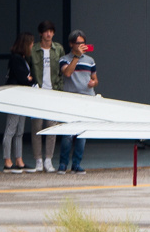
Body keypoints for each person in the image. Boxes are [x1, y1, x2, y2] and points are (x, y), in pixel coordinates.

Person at [57, 30, 98, 175]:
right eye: (78, 43)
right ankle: (62, 164)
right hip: (71, 99)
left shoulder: (90, 60)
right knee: (68, 133)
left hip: (87, 98)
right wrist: (76, 57)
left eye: (83, 43)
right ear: (71, 44)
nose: (81, 46)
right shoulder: (65, 59)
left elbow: (95, 78)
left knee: (82, 134)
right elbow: (67, 73)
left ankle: (76, 164)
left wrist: (93, 82)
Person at [29, 20, 65, 172]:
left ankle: (48, 160)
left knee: (52, 127)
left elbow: (62, 70)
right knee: (37, 127)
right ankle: (38, 160)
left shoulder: (58, 49)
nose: (49, 34)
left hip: (53, 93)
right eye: (46, 31)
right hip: (37, 93)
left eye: (51, 31)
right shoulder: (33, 49)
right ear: (41, 33)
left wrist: (59, 87)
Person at [3, 32, 35, 173]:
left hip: (22, 97)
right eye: (31, 43)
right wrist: (29, 79)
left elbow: (29, 78)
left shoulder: (23, 59)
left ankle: (19, 159)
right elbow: (24, 78)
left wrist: (30, 79)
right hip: (15, 97)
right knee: (11, 128)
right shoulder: (16, 58)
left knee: (20, 130)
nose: (32, 45)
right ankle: (7, 160)